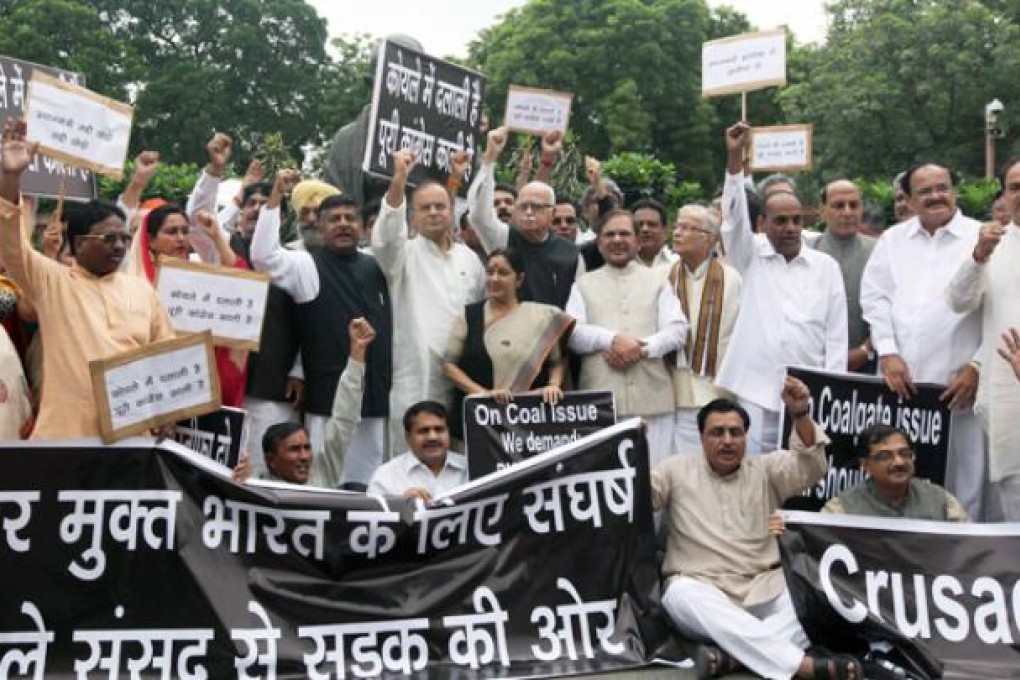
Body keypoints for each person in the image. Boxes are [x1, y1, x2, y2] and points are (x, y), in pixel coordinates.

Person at [654, 378, 860, 680]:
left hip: (764, 586)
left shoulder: (766, 469)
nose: (727, 440)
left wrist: (800, 414)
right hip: (701, 587)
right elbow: (640, 495)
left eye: (736, 433)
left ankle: (731, 658)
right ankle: (801, 666)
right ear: (701, 437)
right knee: (679, 596)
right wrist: (629, 450)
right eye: (717, 433)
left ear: (746, 437)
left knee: (813, 599)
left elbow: (811, 467)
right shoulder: (675, 469)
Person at [0, 119, 174, 439]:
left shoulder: (141, 291)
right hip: (66, 438)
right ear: (79, 243)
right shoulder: (54, 281)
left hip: (130, 440)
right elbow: (11, 246)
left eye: (124, 238)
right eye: (109, 238)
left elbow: (167, 356)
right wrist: (10, 178)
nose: (120, 245)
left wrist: (170, 409)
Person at [250, 168, 393, 489]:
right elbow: (262, 256)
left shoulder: (376, 265)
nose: (343, 224)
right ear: (320, 226)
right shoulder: (305, 265)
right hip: (328, 404)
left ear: (360, 226)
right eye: (334, 218)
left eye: (349, 218)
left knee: (370, 489)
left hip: (374, 402)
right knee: (326, 487)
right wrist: (276, 195)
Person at [861, 162, 985, 519]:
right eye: (925, 191)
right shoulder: (892, 240)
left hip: (960, 389)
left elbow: (1003, 311)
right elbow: (875, 298)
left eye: (942, 187)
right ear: (909, 200)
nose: (935, 196)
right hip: (906, 390)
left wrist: (978, 365)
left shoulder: (982, 237)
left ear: (955, 191)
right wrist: (887, 352)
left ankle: (965, 567)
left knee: (966, 484)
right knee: (904, 483)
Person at [718, 122, 848, 456]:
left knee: (805, 477)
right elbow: (733, 221)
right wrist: (734, 160)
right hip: (755, 393)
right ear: (762, 224)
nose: (790, 228)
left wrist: (832, 391)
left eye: (796, 220)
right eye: (780, 221)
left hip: (809, 396)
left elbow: (835, 338)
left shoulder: (825, 267)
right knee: (755, 478)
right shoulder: (750, 256)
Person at [374, 148, 485, 451]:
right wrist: (399, 180)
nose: (434, 212)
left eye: (440, 206)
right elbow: (385, 236)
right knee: (413, 458)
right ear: (412, 216)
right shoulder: (402, 255)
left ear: (452, 212)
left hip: (464, 377)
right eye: (425, 208)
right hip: (416, 375)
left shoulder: (470, 260)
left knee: (461, 459)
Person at [567, 210, 686, 467]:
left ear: (638, 242)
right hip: (601, 404)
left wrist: (640, 349)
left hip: (653, 401)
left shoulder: (659, 281)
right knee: (607, 488)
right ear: (599, 244)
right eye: (610, 234)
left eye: (624, 234)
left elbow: (677, 330)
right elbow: (572, 333)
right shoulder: (583, 284)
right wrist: (612, 340)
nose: (617, 240)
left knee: (654, 482)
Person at [945, 156, 1020, 519]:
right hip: (1010, 406)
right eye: (1015, 188)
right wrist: (977, 256)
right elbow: (958, 301)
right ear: (1004, 196)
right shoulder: (994, 248)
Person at [444, 248, 574, 440]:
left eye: (503, 273)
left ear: (519, 280)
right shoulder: (469, 316)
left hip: (529, 424)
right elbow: (448, 367)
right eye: (490, 272)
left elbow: (556, 363)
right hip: (480, 422)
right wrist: (484, 395)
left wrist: (553, 385)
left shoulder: (541, 317)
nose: (494, 279)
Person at [234, 318, 374, 487]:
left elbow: (344, 420)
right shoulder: (256, 484)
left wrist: (357, 353)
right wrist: (242, 482)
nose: (304, 457)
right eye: (294, 449)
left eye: (307, 448)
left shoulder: (323, 473)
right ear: (270, 460)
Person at [467, 125, 583, 309]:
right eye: (523, 206)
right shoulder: (503, 239)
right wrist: (490, 158)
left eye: (536, 207)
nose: (528, 212)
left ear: (553, 213)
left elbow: (577, 305)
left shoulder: (571, 254)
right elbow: (478, 215)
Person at [668, 204, 742, 457]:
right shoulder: (663, 276)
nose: (678, 233)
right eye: (677, 226)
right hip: (671, 393)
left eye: (688, 228)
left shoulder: (733, 279)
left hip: (716, 391)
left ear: (708, 238)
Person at [823, 423, 968, 520]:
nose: (899, 462)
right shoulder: (842, 509)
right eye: (885, 456)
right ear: (865, 465)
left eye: (905, 453)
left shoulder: (941, 502)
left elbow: (967, 548)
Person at [812, 179, 877, 373]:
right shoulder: (808, 253)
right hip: (815, 363)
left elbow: (891, 308)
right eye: (839, 206)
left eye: (854, 205)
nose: (847, 212)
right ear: (822, 211)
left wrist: (867, 349)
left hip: (870, 363)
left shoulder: (880, 251)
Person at [367, 401, 468, 501]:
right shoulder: (386, 475)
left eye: (439, 429)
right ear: (407, 437)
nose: (432, 437)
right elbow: (372, 514)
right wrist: (401, 505)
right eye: (423, 431)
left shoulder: (470, 469)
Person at [632, 198, 677, 268]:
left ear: (665, 232)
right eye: (639, 225)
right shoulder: (619, 264)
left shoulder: (679, 264)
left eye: (652, 224)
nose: (645, 229)